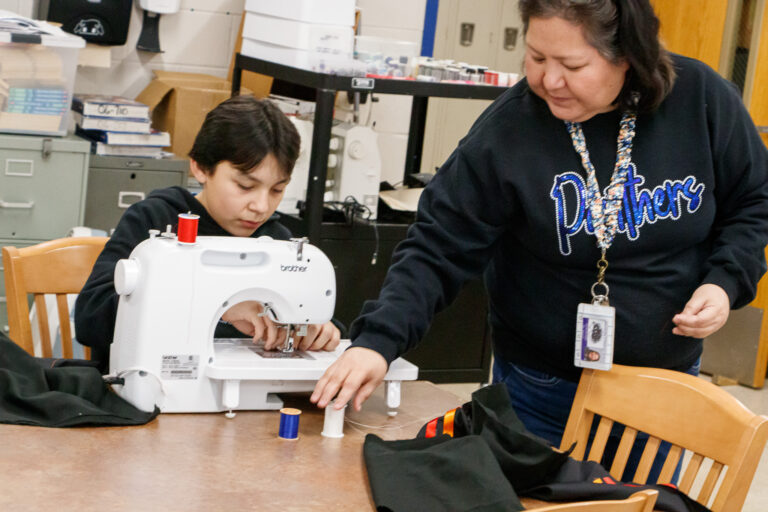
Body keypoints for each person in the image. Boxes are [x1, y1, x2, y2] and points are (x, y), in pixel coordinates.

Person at [312, 0, 768, 480]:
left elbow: (753, 200)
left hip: (665, 390)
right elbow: (437, 246)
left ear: (628, 56)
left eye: (572, 65)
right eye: (536, 57)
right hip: (541, 390)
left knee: (647, 504)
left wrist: (725, 282)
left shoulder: (701, 100)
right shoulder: (510, 129)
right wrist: (378, 342)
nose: (549, 80)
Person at [75, 96, 341, 373]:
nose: (261, 207)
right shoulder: (153, 220)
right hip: (148, 387)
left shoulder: (277, 240)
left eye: (277, 190)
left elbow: (312, 311)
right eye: (245, 186)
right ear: (201, 168)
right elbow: (90, 319)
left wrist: (319, 330)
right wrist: (220, 307)